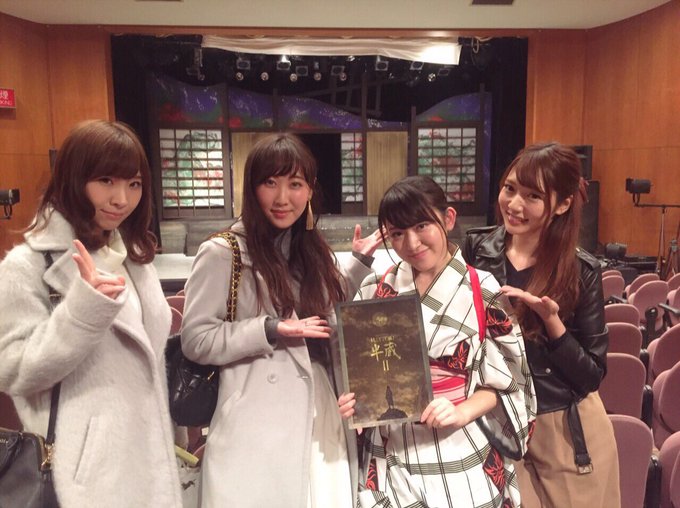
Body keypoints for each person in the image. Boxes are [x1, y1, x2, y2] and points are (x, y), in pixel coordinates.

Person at [180, 132, 382, 508]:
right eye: (270, 183)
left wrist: (358, 264)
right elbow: (196, 338)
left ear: (310, 189)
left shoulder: (311, 249)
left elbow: (324, 313)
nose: (282, 198)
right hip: (255, 421)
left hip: (320, 409)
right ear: (252, 188)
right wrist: (270, 329)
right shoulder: (223, 252)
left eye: (295, 184)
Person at [0, 120, 182, 507]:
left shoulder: (130, 256)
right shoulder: (26, 266)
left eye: (134, 184)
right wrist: (81, 313)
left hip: (149, 456)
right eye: (105, 180)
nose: (122, 198)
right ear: (74, 178)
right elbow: (12, 370)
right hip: (85, 476)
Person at [338, 175, 536, 508]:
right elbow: (362, 371)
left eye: (422, 226)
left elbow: (508, 384)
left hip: (460, 446)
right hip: (393, 451)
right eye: (397, 233)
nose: (411, 243)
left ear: (448, 218)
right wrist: (354, 399)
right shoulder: (375, 288)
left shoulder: (483, 289)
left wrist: (461, 411)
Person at [462, 142, 621, 507]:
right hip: (494, 418)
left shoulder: (581, 271)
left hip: (560, 426)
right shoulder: (477, 251)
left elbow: (591, 375)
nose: (514, 204)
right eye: (510, 188)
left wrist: (552, 322)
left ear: (562, 204)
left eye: (533, 196)